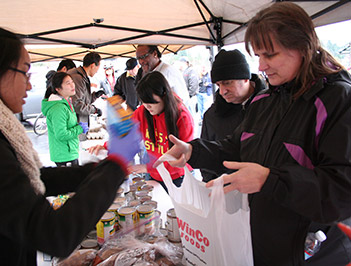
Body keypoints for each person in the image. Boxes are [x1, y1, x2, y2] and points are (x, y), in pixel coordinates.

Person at [155, 2, 351, 265]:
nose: (261, 66)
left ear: (302, 47)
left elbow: (341, 190)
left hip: (312, 251)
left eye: (269, 55)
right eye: (257, 55)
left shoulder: (338, 99)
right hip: (259, 243)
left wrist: (269, 179)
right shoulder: (265, 100)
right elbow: (236, 148)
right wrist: (194, 151)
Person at [0, 26, 141, 265]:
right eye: (24, 72)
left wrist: (101, 169)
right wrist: (114, 166)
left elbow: (31, 179)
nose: (30, 86)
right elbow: (54, 234)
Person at [200, 49, 266, 181]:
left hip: (263, 190)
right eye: (218, 85)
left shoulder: (269, 106)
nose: (223, 91)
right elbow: (206, 160)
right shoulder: (212, 116)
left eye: (227, 82)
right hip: (226, 191)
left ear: (245, 78)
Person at [130, 71, 194, 192]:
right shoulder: (143, 111)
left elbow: (182, 157)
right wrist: (106, 147)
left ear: (164, 95)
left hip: (178, 176)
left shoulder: (182, 116)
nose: (147, 107)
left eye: (152, 103)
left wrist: (148, 168)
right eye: (144, 102)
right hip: (155, 174)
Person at [41, 72, 86, 167]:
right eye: (67, 83)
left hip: (69, 152)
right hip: (64, 155)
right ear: (58, 89)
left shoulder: (66, 102)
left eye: (72, 82)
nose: (72, 85)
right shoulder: (58, 108)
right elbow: (61, 134)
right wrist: (79, 129)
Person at [67, 52, 104, 125]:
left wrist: (95, 95)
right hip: (75, 123)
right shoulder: (77, 78)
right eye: (98, 68)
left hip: (79, 122)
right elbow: (77, 104)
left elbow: (84, 100)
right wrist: (94, 110)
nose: (97, 71)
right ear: (93, 65)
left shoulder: (82, 77)